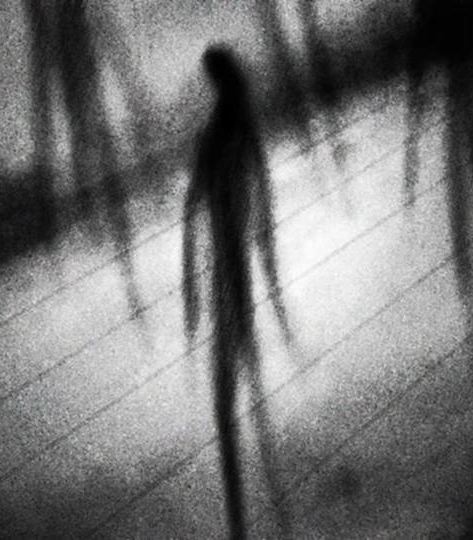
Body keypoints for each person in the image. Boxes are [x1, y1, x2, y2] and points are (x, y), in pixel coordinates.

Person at [182, 44, 294, 539]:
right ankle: (250, 501)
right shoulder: (231, 128)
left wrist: (194, 284)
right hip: (230, 259)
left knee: (232, 377)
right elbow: (245, 198)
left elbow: (204, 203)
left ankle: (244, 510)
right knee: (237, 368)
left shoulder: (223, 131)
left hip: (228, 260)